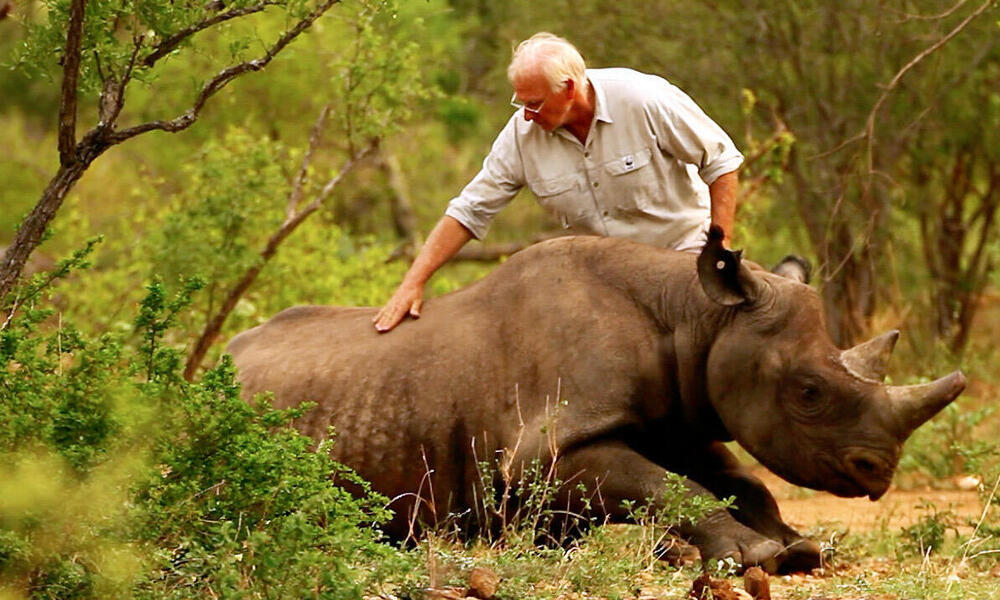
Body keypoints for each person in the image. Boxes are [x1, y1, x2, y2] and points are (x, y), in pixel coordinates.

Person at [373, 32, 743, 332]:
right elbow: (470, 210)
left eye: (533, 103)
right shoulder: (521, 134)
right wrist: (413, 282)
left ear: (568, 88)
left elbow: (721, 161)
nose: (526, 115)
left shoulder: (643, 99)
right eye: (520, 104)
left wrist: (720, 246)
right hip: (609, 288)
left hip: (683, 263)